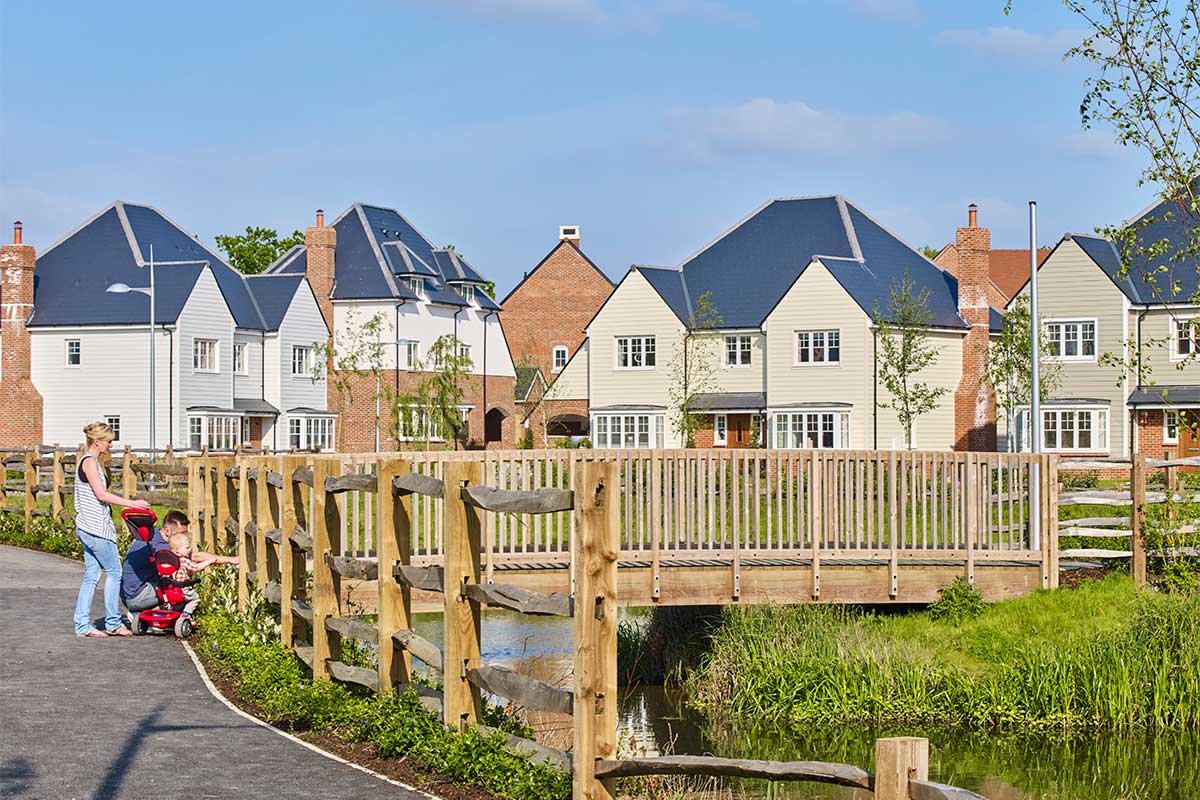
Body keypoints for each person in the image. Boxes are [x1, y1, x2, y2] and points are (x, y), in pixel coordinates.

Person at [73, 421, 151, 638]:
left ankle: (82, 624)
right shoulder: (89, 462)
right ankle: (113, 622)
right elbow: (101, 494)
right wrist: (132, 503)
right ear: (96, 441)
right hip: (96, 528)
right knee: (115, 572)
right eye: (108, 441)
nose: (110, 445)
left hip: (88, 526)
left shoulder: (90, 461)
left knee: (92, 574)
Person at [120, 511, 235, 622]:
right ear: (167, 531)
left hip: (128, 592)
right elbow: (194, 557)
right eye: (180, 534)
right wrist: (229, 560)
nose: (182, 537)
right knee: (179, 593)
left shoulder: (151, 534)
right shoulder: (161, 548)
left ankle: (146, 611)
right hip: (137, 595)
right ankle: (141, 615)